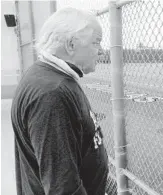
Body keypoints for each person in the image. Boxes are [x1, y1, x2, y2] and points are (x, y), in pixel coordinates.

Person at [11, 7, 108, 195]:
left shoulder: (46, 76)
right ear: (71, 45)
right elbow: (63, 188)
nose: (102, 51)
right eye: (96, 43)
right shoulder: (52, 94)